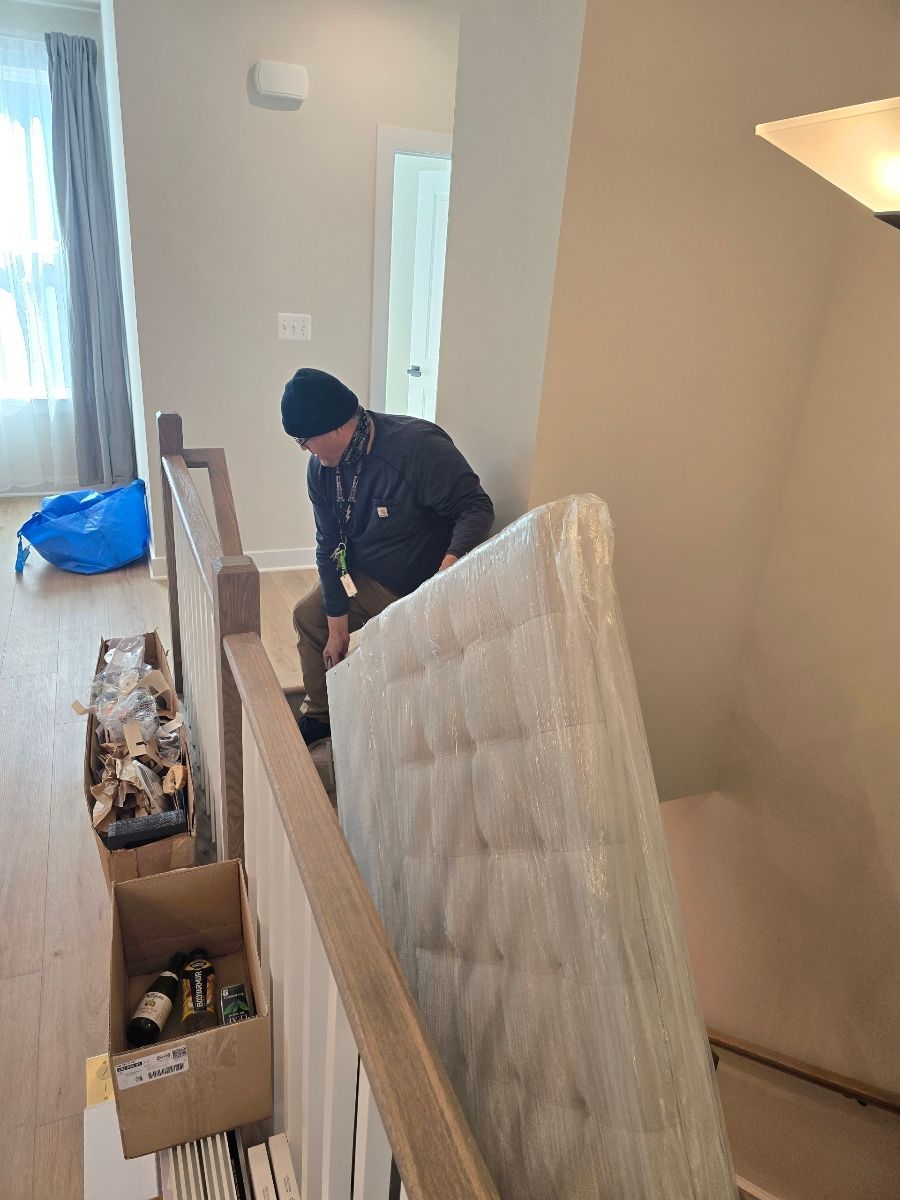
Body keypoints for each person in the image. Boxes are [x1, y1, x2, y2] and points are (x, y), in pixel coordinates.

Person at [281, 368, 494, 745]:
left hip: (417, 585)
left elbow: (476, 508)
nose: (303, 449)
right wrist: (336, 626)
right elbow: (329, 546)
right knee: (309, 617)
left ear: (335, 426)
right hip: (364, 573)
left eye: (304, 438)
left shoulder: (415, 447)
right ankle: (322, 716)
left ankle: (395, 733)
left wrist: (443, 576)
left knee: (396, 661)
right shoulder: (322, 471)